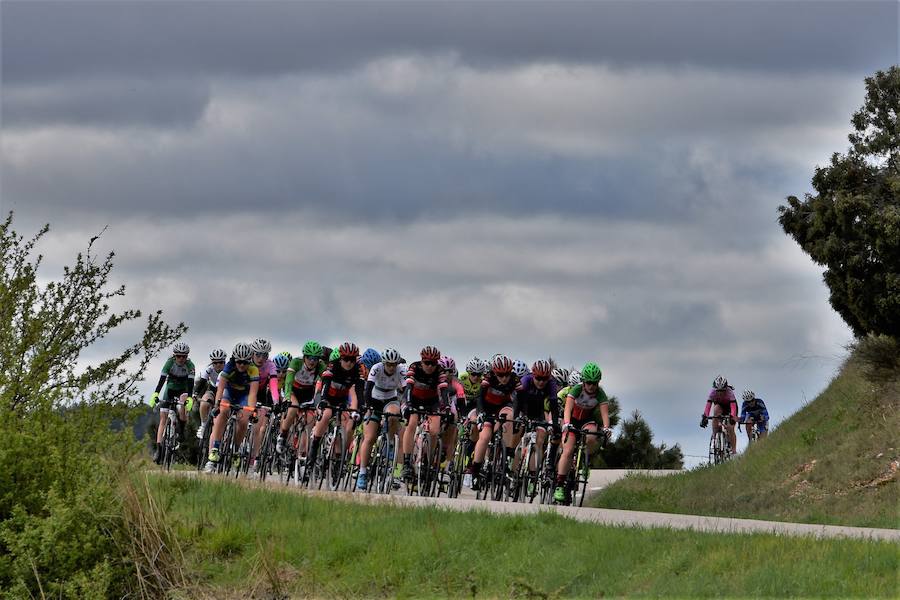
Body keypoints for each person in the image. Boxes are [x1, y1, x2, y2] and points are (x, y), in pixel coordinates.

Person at [554, 362, 610, 504]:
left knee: (592, 436)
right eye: (589, 383)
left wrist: (606, 427)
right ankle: (559, 484)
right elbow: (567, 408)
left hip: (587, 420)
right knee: (567, 450)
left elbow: (604, 413)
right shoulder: (577, 389)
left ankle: (585, 460)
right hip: (572, 419)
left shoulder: (600, 393)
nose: (591, 386)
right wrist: (566, 424)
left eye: (595, 383)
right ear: (584, 381)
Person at [304, 342, 361, 479]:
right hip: (326, 396)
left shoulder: (356, 370)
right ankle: (313, 452)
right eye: (346, 359)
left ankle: (337, 460)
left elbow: (355, 393)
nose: (349, 363)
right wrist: (323, 401)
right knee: (327, 413)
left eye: (352, 360)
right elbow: (325, 384)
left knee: (346, 421)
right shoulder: (332, 366)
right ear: (341, 358)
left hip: (341, 400)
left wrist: (356, 410)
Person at [466, 355, 519, 490]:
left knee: (509, 418)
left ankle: (505, 460)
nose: (504, 378)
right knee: (484, 437)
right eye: (501, 375)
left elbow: (520, 400)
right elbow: (479, 398)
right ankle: (475, 470)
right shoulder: (488, 378)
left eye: (507, 374)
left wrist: (518, 416)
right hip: (487, 408)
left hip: (503, 407)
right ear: (495, 372)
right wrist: (481, 413)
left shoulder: (514, 379)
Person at [205, 342, 260, 472]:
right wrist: (217, 404)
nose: (241, 365)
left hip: (244, 395)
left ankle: (236, 449)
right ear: (234, 359)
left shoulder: (253, 370)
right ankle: (215, 449)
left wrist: (252, 410)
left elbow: (253, 394)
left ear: (249, 361)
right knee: (223, 411)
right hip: (228, 392)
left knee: (244, 420)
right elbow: (220, 388)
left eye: (245, 362)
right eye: (239, 362)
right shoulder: (228, 367)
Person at [356, 347, 405, 490]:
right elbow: (368, 388)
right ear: (383, 363)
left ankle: (390, 443)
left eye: (393, 364)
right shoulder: (376, 368)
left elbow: (405, 388)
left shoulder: (400, 370)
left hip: (391, 399)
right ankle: (363, 472)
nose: (391, 367)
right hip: (374, 399)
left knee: (394, 415)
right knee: (369, 437)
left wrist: (406, 405)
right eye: (388, 364)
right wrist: (368, 407)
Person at [401, 346, 450, 482]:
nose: (430, 366)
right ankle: (406, 463)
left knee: (434, 430)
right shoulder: (414, 367)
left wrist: (446, 408)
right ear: (422, 361)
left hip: (431, 402)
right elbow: (408, 388)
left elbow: (444, 391)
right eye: (427, 363)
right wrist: (409, 405)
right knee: (412, 422)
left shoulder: (440, 371)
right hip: (413, 400)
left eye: (433, 363)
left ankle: (428, 463)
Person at [513, 359, 559, 488]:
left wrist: (554, 425)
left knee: (539, 441)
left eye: (544, 379)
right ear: (533, 375)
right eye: (538, 378)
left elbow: (554, 407)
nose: (541, 382)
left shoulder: (551, 384)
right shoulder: (526, 381)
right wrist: (516, 418)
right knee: (517, 431)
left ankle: (532, 475)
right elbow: (517, 401)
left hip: (539, 412)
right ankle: (512, 464)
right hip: (523, 408)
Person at [276, 341, 326, 455]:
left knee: (309, 422)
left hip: (308, 393)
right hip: (293, 390)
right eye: (309, 358)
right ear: (304, 357)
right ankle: (283, 436)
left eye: (315, 358)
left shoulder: (321, 365)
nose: (312, 361)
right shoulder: (296, 362)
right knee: (293, 408)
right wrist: (287, 398)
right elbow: (288, 381)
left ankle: (302, 453)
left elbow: (326, 383)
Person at [149, 342, 195, 464]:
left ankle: (182, 429)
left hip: (183, 390)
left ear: (187, 357)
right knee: (163, 418)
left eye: (184, 356)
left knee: (182, 408)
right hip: (170, 389)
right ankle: (159, 449)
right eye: (178, 356)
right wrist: (156, 394)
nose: (181, 359)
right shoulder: (169, 363)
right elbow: (162, 380)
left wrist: (189, 398)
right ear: (174, 356)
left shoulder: (190, 366)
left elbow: (190, 384)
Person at [194, 348, 227, 442]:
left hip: (224, 391)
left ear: (224, 362)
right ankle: (203, 425)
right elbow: (202, 382)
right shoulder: (209, 369)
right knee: (204, 403)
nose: (218, 365)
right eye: (215, 363)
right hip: (212, 390)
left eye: (220, 362)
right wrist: (195, 394)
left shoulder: (228, 369)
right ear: (212, 363)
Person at [701, 375, 738, 455]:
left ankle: (734, 451)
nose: (720, 393)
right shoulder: (712, 392)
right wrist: (705, 417)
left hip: (730, 407)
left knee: (730, 428)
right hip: (720, 406)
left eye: (722, 391)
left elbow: (733, 407)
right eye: (718, 391)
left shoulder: (730, 392)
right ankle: (715, 438)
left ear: (726, 389)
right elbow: (708, 406)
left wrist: (732, 417)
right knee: (715, 412)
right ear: (715, 389)